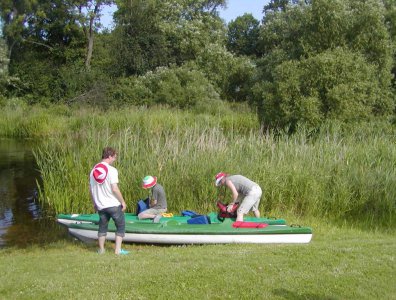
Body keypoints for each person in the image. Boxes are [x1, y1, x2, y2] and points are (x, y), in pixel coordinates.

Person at [89, 147, 129, 255]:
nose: (115, 160)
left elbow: (91, 190)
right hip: (113, 204)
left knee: (102, 227)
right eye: (114, 157)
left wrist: (95, 203)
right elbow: (114, 188)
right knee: (120, 226)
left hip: (101, 205)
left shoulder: (93, 171)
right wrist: (123, 201)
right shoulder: (112, 170)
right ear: (109, 156)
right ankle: (117, 250)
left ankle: (101, 250)